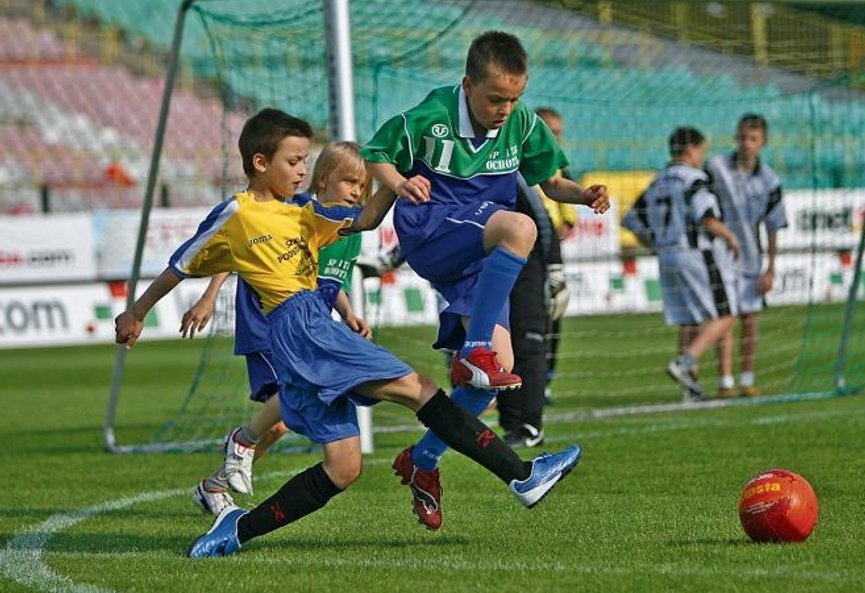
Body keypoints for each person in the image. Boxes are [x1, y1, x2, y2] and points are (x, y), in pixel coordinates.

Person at [114, 108, 583, 558]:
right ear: (260, 162)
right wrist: (137, 312)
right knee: (418, 389)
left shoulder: (302, 213)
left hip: (309, 327)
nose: (302, 171)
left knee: (344, 467)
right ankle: (521, 475)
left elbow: (363, 220)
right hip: (301, 326)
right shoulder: (237, 213)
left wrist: (399, 179)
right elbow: (182, 262)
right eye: (294, 161)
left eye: (304, 161)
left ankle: (235, 528)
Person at [361, 31, 609, 530]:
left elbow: (552, 182)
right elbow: (377, 153)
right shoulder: (431, 117)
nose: (505, 108)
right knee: (520, 225)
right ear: (467, 84)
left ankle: (423, 461)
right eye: (495, 98)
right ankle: (474, 347)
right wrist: (399, 182)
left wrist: (582, 194)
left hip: (477, 249)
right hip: (430, 227)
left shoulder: (521, 124)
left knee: (497, 374)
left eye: (514, 98)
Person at [182, 142, 373, 516]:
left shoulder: (350, 228)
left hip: (310, 325)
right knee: (282, 416)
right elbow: (238, 245)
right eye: (350, 181)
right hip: (268, 320)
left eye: (363, 186)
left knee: (279, 423)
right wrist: (210, 295)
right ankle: (235, 452)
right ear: (322, 180)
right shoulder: (296, 210)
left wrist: (348, 313)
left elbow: (329, 280)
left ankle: (216, 481)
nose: (357, 192)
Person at [622, 127, 740, 401]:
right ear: (691, 150)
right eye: (701, 150)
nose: (702, 156)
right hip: (696, 253)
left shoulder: (657, 181)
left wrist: (655, 245)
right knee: (725, 314)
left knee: (688, 320)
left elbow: (632, 220)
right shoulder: (695, 179)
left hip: (667, 256)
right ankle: (685, 363)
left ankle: (691, 389)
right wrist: (731, 238)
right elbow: (707, 217)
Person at [708, 114, 787, 397]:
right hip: (721, 255)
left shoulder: (769, 180)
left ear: (763, 142)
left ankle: (747, 378)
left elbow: (774, 226)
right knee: (726, 317)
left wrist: (771, 268)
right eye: (742, 137)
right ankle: (725, 381)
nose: (746, 144)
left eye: (752, 139)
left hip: (753, 259)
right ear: (735, 137)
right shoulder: (717, 167)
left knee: (750, 319)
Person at [495, 175, 557, 448]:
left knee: (529, 342)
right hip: (485, 266)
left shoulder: (511, 174)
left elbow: (543, 219)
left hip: (526, 266)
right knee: (498, 347)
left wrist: (555, 268)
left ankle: (531, 424)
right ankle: (510, 426)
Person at [533, 107, 577, 405]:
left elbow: (568, 213)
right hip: (525, 242)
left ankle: (545, 380)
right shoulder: (525, 159)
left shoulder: (557, 164)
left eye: (560, 132)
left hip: (549, 247)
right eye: (552, 131)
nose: (557, 137)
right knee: (529, 317)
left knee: (552, 312)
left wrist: (565, 226)